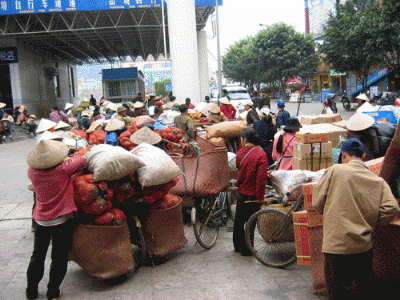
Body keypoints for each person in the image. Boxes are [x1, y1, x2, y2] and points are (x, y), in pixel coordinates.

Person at [312, 138, 399, 300]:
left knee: (337, 294)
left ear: (343, 155)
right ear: (364, 156)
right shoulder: (377, 181)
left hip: (335, 248)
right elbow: (392, 209)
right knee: (364, 292)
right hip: (362, 248)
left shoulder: (334, 171)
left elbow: (317, 202)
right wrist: (374, 221)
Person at [26, 139, 86, 300]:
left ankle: (31, 291)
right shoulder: (63, 169)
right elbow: (82, 159)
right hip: (61, 221)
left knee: (37, 255)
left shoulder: (32, 172)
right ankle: (52, 291)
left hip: (41, 221)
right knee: (59, 257)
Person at [234, 128, 269, 256]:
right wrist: (260, 196)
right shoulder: (261, 154)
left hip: (242, 192)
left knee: (239, 222)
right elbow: (261, 178)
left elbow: (239, 167)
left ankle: (238, 246)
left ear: (245, 140)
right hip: (253, 195)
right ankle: (247, 249)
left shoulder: (239, 153)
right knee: (250, 223)